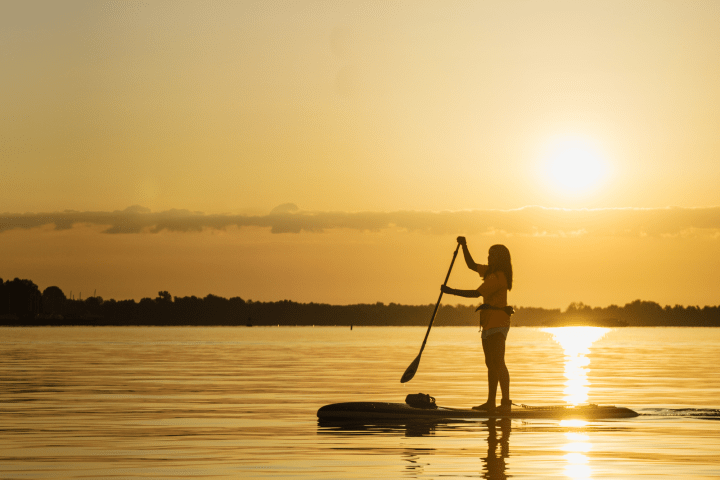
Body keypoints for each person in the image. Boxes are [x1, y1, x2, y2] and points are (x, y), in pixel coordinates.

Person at [441, 237, 513, 413]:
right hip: (487, 324)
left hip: (498, 322)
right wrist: (464, 246)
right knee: (490, 363)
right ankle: (490, 402)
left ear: (500, 258)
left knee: (498, 362)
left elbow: (475, 293)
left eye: (492, 255)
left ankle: (505, 403)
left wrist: (451, 291)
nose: (488, 258)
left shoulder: (499, 277)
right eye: (488, 254)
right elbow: (471, 265)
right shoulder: (489, 271)